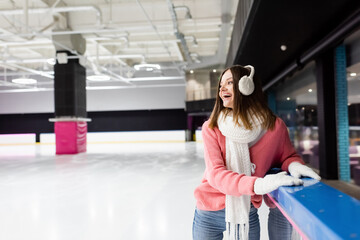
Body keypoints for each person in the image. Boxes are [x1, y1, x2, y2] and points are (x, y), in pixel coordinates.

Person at [192, 65, 320, 240]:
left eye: (229, 83)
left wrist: (294, 164)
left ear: (246, 86)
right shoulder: (212, 127)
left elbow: (286, 155)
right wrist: (257, 185)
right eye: (221, 85)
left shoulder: (274, 127)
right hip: (208, 212)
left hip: (247, 211)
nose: (222, 89)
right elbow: (215, 174)